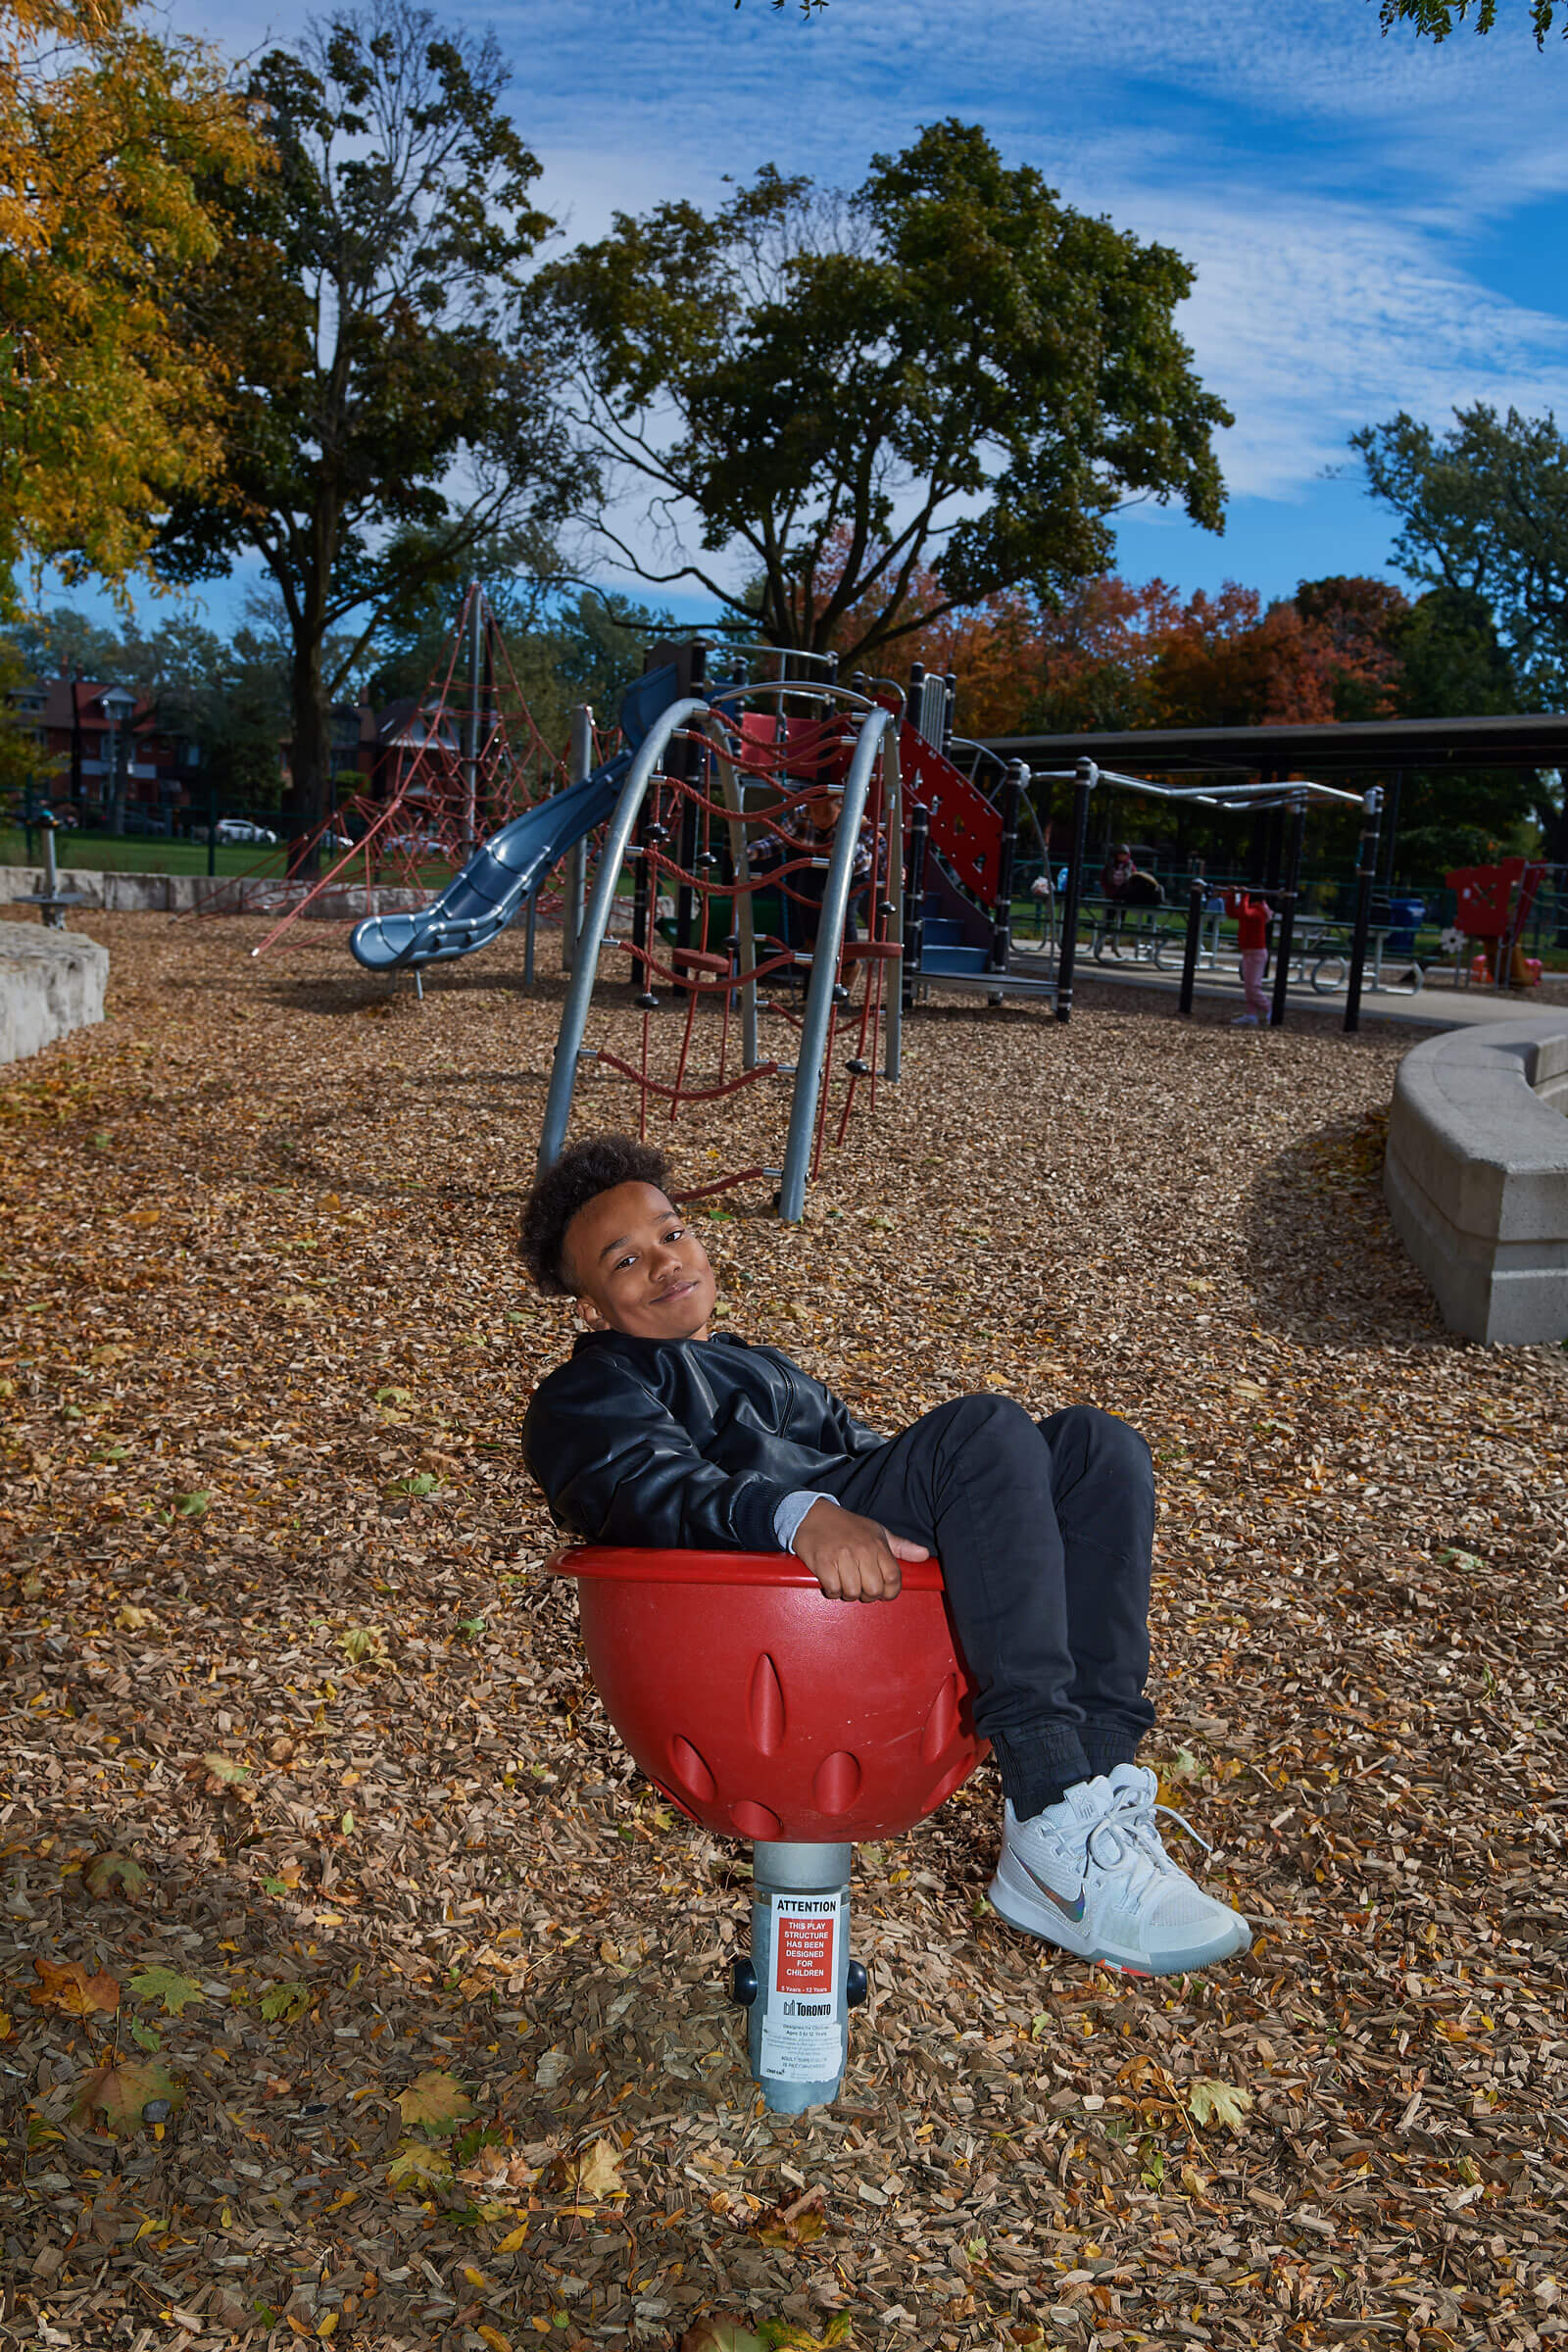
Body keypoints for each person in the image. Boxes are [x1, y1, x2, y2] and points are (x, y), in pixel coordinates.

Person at [518, 1135, 1251, 1979]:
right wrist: (798, 1516)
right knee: (984, 1429)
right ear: (588, 1306)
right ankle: (1047, 1797)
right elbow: (648, 1490)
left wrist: (919, 1492)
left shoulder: (763, 1369)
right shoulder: (588, 1392)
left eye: (672, 1233)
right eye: (624, 1261)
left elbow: (880, 1455)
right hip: (767, 1599)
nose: (664, 1263)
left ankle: (1095, 1799)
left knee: (1096, 1446)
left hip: (858, 1542)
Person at [1224, 886, 1272, 1025]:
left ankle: (1269, 1008)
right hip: (1247, 952)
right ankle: (1251, 1014)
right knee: (1248, 986)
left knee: (1253, 987)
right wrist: (1232, 897)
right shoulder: (1252, 910)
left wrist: (1244, 895)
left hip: (1257, 953)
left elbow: (1244, 913)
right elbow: (1233, 913)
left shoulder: (1259, 911)